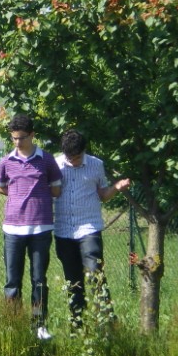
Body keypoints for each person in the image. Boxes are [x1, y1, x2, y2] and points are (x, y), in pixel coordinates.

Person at [0, 114, 62, 341]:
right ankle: (13, 325)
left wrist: (36, 199)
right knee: (12, 281)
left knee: (38, 279)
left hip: (41, 228)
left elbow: (56, 189)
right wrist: (18, 198)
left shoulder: (47, 160)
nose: (17, 142)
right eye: (13, 138)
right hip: (12, 229)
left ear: (32, 135)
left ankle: (39, 325)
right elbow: (0, 187)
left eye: (21, 138)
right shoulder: (6, 161)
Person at [54, 129, 130, 326]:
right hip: (63, 230)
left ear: (84, 151)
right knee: (73, 282)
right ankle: (77, 326)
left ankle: (106, 322)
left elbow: (103, 195)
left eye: (77, 157)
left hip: (89, 227)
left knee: (95, 273)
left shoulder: (96, 165)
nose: (73, 161)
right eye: (69, 157)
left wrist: (116, 188)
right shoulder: (54, 165)